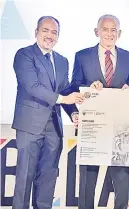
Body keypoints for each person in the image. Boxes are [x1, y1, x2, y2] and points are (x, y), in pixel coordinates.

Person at [12, 16, 82, 209]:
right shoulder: (24, 55)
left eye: (54, 32)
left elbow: (66, 90)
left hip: (54, 128)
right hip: (29, 126)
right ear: (36, 32)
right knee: (25, 177)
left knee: (48, 178)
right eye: (45, 30)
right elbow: (32, 86)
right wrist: (63, 99)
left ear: (58, 37)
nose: (49, 36)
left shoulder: (62, 61)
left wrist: (73, 113)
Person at [70, 14, 129, 209]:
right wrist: (89, 87)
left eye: (113, 30)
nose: (109, 34)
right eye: (105, 29)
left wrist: (128, 89)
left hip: (121, 129)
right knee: (87, 182)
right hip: (92, 126)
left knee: (122, 181)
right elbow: (75, 87)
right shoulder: (82, 56)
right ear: (96, 32)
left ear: (119, 33)